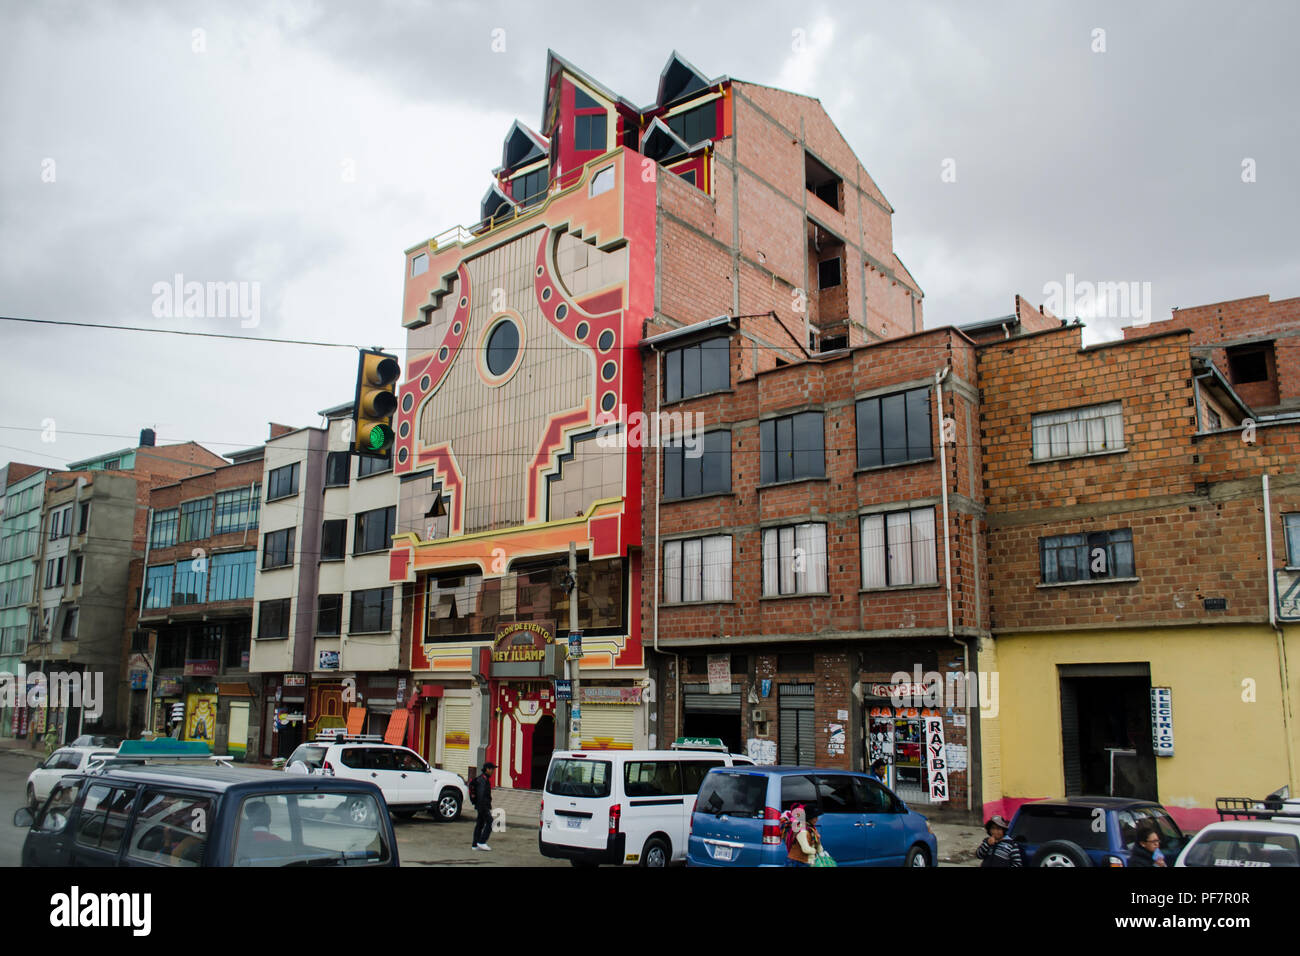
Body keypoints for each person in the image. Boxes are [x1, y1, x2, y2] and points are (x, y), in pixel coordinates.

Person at [469, 761, 496, 851]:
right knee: (490, 822)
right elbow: (481, 794)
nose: (493, 771)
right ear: (487, 769)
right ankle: (482, 842)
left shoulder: (482, 779)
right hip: (483, 806)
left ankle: (475, 844)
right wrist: (484, 807)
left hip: (481, 805)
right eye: (492, 769)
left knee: (480, 824)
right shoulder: (483, 780)